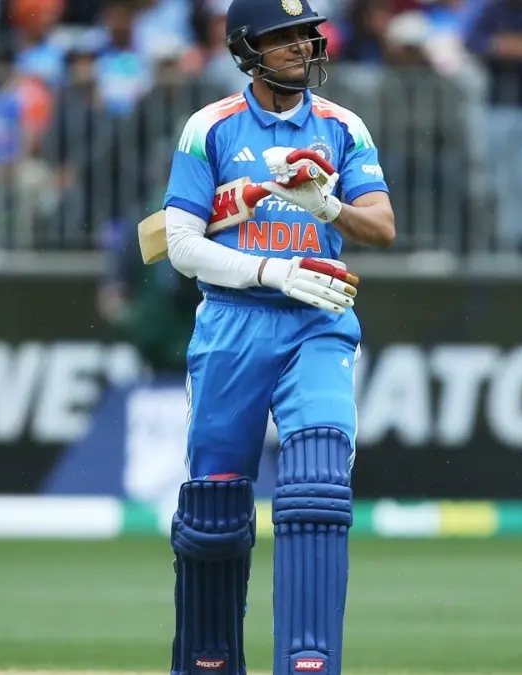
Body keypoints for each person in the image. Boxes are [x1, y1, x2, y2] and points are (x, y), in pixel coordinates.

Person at [160, 0, 395, 671]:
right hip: (233, 323)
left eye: (305, 33)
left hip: (319, 319)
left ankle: (308, 663)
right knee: (214, 510)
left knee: (318, 485)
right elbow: (179, 245)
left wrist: (326, 205)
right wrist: (273, 270)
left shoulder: (343, 126)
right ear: (245, 49)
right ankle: (207, 661)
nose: (302, 44)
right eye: (283, 36)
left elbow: (381, 227)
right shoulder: (210, 127)